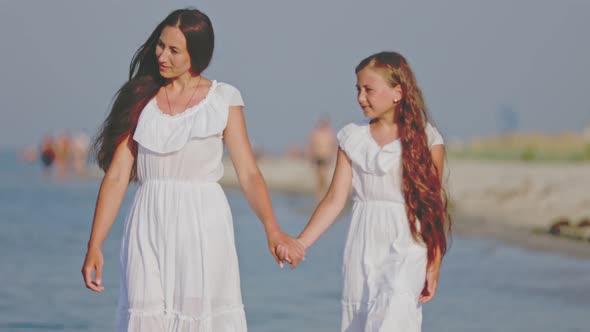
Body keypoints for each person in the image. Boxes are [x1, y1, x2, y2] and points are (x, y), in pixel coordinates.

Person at [80, 9, 304, 331]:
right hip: (148, 223)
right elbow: (116, 176)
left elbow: (249, 173)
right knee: (145, 317)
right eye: (160, 45)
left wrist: (273, 229)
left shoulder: (224, 99)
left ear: (196, 55)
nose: (162, 56)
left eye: (174, 50)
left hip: (203, 225)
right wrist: (94, 244)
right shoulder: (141, 98)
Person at [280, 51, 451, 331]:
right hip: (364, 242)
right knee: (362, 320)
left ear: (398, 92)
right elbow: (335, 200)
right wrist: (301, 243)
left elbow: (432, 207)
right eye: (358, 89)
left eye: (368, 90)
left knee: (395, 314)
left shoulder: (428, 139)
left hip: (408, 240)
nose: (361, 97)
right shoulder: (352, 137)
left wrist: (434, 265)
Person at [308, 116, 337, 201]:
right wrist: (310, 157)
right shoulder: (315, 133)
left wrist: (332, 157)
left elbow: (333, 145)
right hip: (318, 156)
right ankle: (319, 196)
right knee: (318, 177)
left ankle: (324, 196)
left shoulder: (330, 133)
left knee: (324, 176)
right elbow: (311, 145)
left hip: (326, 157)